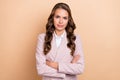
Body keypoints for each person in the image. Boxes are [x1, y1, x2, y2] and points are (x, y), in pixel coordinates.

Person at [35, 2, 84, 80]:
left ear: (68, 20)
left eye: (65, 18)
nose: (61, 21)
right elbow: (40, 69)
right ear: (52, 18)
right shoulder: (42, 38)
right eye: (57, 17)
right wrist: (67, 70)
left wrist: (53, 64)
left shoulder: (75, 39)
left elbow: (79, 68)